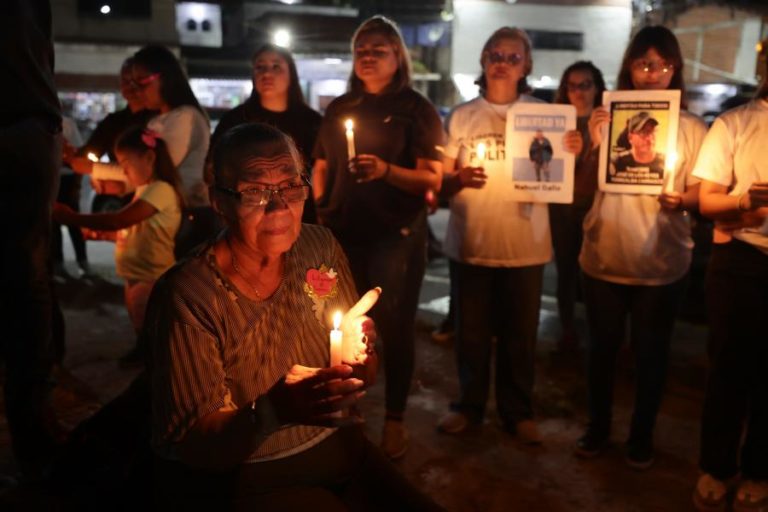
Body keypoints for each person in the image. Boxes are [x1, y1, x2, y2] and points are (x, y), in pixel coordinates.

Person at [148, 123, 442, 511]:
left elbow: (363, 374)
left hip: (344, 446)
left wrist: (362, 357)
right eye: (255, 191)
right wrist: (273, 410)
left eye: (290, 186)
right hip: (253, 474)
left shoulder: (318, 246)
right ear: (219, 200)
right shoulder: (191, 294)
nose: (279, 207)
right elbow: (197, 445)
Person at [435, 27, 583, 443]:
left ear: (527, 66)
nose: (502, 61)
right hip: (471, 243)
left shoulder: (547, 116)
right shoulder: (461, 116)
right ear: (483, 60)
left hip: (526, 245)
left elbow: (561, 172)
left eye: (513, 57)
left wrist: (571, 147)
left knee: (520, 338)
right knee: (471, 336)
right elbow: (442, 181)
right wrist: (457, 178)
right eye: (495, 54)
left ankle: (518, 411)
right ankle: (469, 405)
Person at [575, 26, 707, 470]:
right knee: (602, 352)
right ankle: (597, 428)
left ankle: (641, 436)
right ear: (629, 67)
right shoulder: (605, 119)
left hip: (662, 263)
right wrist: (595, 146)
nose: (653, 73)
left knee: (652, 355)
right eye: (644, 63)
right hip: (604, 258)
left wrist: (682, 199)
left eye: (663, 65)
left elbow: (702, 193)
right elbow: (579, 192)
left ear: (676, 71)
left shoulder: (690, 127)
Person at [312, 16, 443, 459]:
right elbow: (322, 164)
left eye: (378, 49)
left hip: (396, 236)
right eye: (361, 50)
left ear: (397, 57)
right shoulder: (339, 107)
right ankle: (350, 408)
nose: (367, 57)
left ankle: (395, 419)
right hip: (342, 234)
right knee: (338, 327)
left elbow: (432, 177)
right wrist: (319, 208)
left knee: (393, 327)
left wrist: (386, 171)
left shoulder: (415, 109)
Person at [690, 83, 768, 511]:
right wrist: (743, 201)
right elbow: (706, 201)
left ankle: (759, 471)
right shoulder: (735, 123)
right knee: (730, 368)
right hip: (742, 258)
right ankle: (716, 467)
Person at [1, 0, 67, 481]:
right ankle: (34, 430)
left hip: (23, 116)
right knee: (28, 280)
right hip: (25, 117)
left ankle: (35, 427)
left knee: (28, 281)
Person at [53, 126, 183, 364]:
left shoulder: (161, 190)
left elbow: (119, 219)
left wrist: (71, 218)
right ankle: (142, 355)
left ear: (149, 158)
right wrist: (105, 237)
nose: (122, 170)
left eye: (125, 163)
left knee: (152, 328)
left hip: (152, 277)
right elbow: (137, 231)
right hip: (135, 274)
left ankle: (154, 369)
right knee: (140, 322)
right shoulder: (145, 190)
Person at [209, 43, 321, 224]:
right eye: (260, 67)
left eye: (276, 67)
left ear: (291, 73)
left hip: (298, 215)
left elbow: (321, 172)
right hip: (247, 216)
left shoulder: (311, 121)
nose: (267, 74)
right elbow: (211, 168)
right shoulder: (235, 119)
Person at [130, 45, 217, 259]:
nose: (137, 90)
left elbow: (156, 169)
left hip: (187, 213)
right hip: (167, 212)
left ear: (166, 77)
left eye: (142, 81)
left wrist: (98, 170)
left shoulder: (184, 118)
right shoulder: (157, 119)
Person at [550, 61, 607, 350]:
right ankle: (568, 330)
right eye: (572, 86)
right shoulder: (557, 123)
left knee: (598, 273)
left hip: (596, 207)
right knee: (566, 271)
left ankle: (602, 333)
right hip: (562, 209)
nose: (579, 92)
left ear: (597, 87)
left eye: (585, 84)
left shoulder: (607, 121)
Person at [65, 56, 156, 212]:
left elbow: (156, 171)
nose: (131, 87)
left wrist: (96, 169)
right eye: (125, 81)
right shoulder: (113, 122)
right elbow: (89, 152)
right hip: (126, 201)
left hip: (153, 200)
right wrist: (70, 155)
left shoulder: (158, 120)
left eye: (136, 81)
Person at [53, 116, 89, 278]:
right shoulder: (38, 122)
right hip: (51, 179)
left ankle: (83, 262)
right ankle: (58, 264)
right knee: (53, 224)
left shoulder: (66, 123)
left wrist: (76, 186)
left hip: (67, 179)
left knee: (74, 222)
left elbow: (79, 154)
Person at [610, 111, 665, 178]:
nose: (650, 138)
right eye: (643, 132)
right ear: (630, 137)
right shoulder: (617, 162)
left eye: (653, 131)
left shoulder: (666, 163)